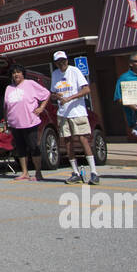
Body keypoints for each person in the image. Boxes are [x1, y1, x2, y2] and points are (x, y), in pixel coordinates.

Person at [50, 51, 97, 184]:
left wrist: (70, 98)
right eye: (59, 61)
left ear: (67, 60)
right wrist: (57, 97)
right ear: (55, 63)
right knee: (68, 142)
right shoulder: (55, 74)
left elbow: (86, 89)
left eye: (63, 60)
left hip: (78, 112)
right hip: (63, 113)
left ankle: (94, 172)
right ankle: (75, 172)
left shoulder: (74, 71)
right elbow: (53, 92)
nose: (62, 63)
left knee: (83, 139)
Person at [3, 67, 50, 182]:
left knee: (34, 147)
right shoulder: (9, 88)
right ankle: (25, 172)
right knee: (20, 148)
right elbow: (5, 107)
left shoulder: (30, 84)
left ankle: (38, 172)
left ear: (23, 74)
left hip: (30, 121)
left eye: (18, 72)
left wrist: (41, 108)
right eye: (13, 73)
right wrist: (6, 121)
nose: (16, 74)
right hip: (15, 123)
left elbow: (46, 93)